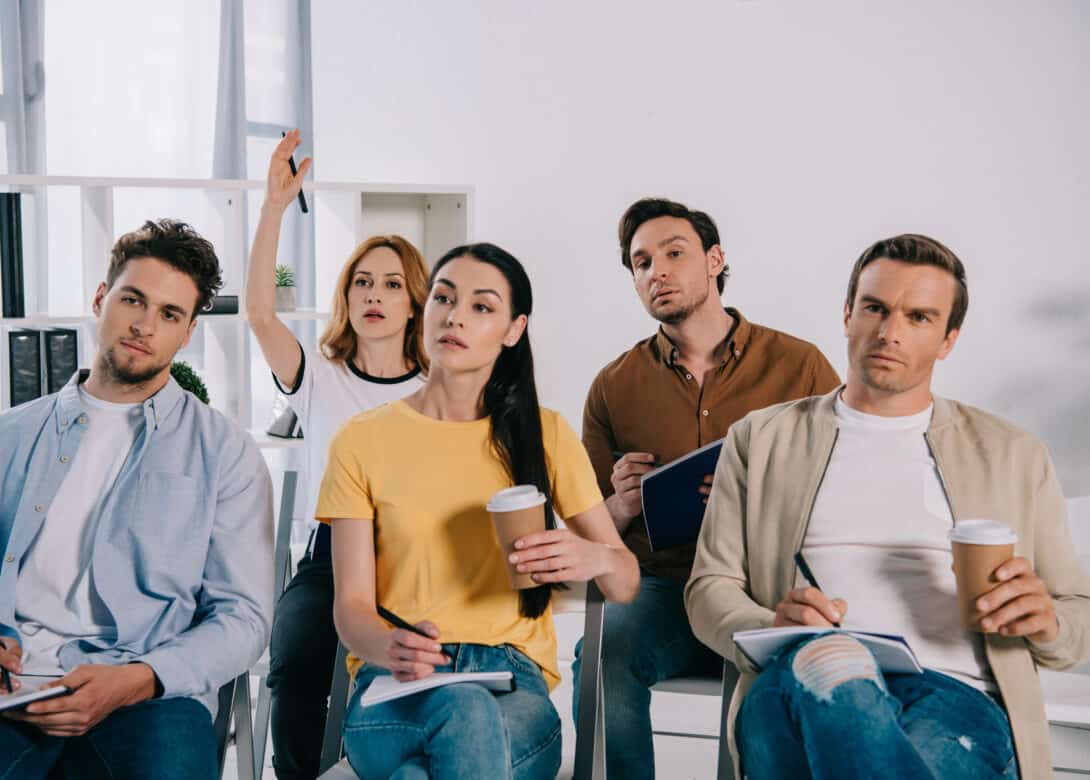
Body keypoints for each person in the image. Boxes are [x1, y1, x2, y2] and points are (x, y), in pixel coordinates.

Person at [685, 234, 1090, 779]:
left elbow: (1077, 617)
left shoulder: (1013, 454)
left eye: (919, 317)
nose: (889, 332)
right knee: (830, 672)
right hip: (795, 677)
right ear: (848, 314)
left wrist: (1045, 621)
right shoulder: (760, 439)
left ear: (948, 340)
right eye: (875, 308)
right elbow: (708, 589)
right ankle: (839, 669)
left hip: (954, 693)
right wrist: (770, 621)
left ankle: (842, 674)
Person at [0, 219, 274, 779]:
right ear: (101, 298)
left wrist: (143, 677)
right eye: (133, 299)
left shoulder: (225, 451)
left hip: (146, 691)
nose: (143, 325)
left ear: (186, 335)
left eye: (169, 314)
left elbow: (243, 616)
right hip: (0, 692)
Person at [318, 242, 641, 779]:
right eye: (443, 298)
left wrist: (594, 557)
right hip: (397, 682)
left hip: (512, 684)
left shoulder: (547, 435)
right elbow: (351, 605)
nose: (454, 316)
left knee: (423, 769)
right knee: (461, 713)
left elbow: (626, 581)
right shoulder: (360, 441)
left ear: (514, 330)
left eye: (482, 307)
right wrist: (388, 644)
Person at [574, 197, 840, 776]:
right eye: (641, 263)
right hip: (663, 592)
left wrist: (755, 490)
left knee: (808, 663)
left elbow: (845, 491)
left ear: (715, 260)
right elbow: (587, 530)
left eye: (674, 253)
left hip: (767, 586)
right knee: (602, 646)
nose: (657, 272)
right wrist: (620, 505)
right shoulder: (614, 386)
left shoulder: (801, 367)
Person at [245, 130, 430, 779]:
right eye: (361, 283)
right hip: (329, 562)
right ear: (346, 299)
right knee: (294, 665)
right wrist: (273, 207)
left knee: (414, 679)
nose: (374, 295)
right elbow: (261, 315)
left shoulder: (442, 386)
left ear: (414, 303)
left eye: (391, 285)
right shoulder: (319, 375)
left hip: (415, 565)